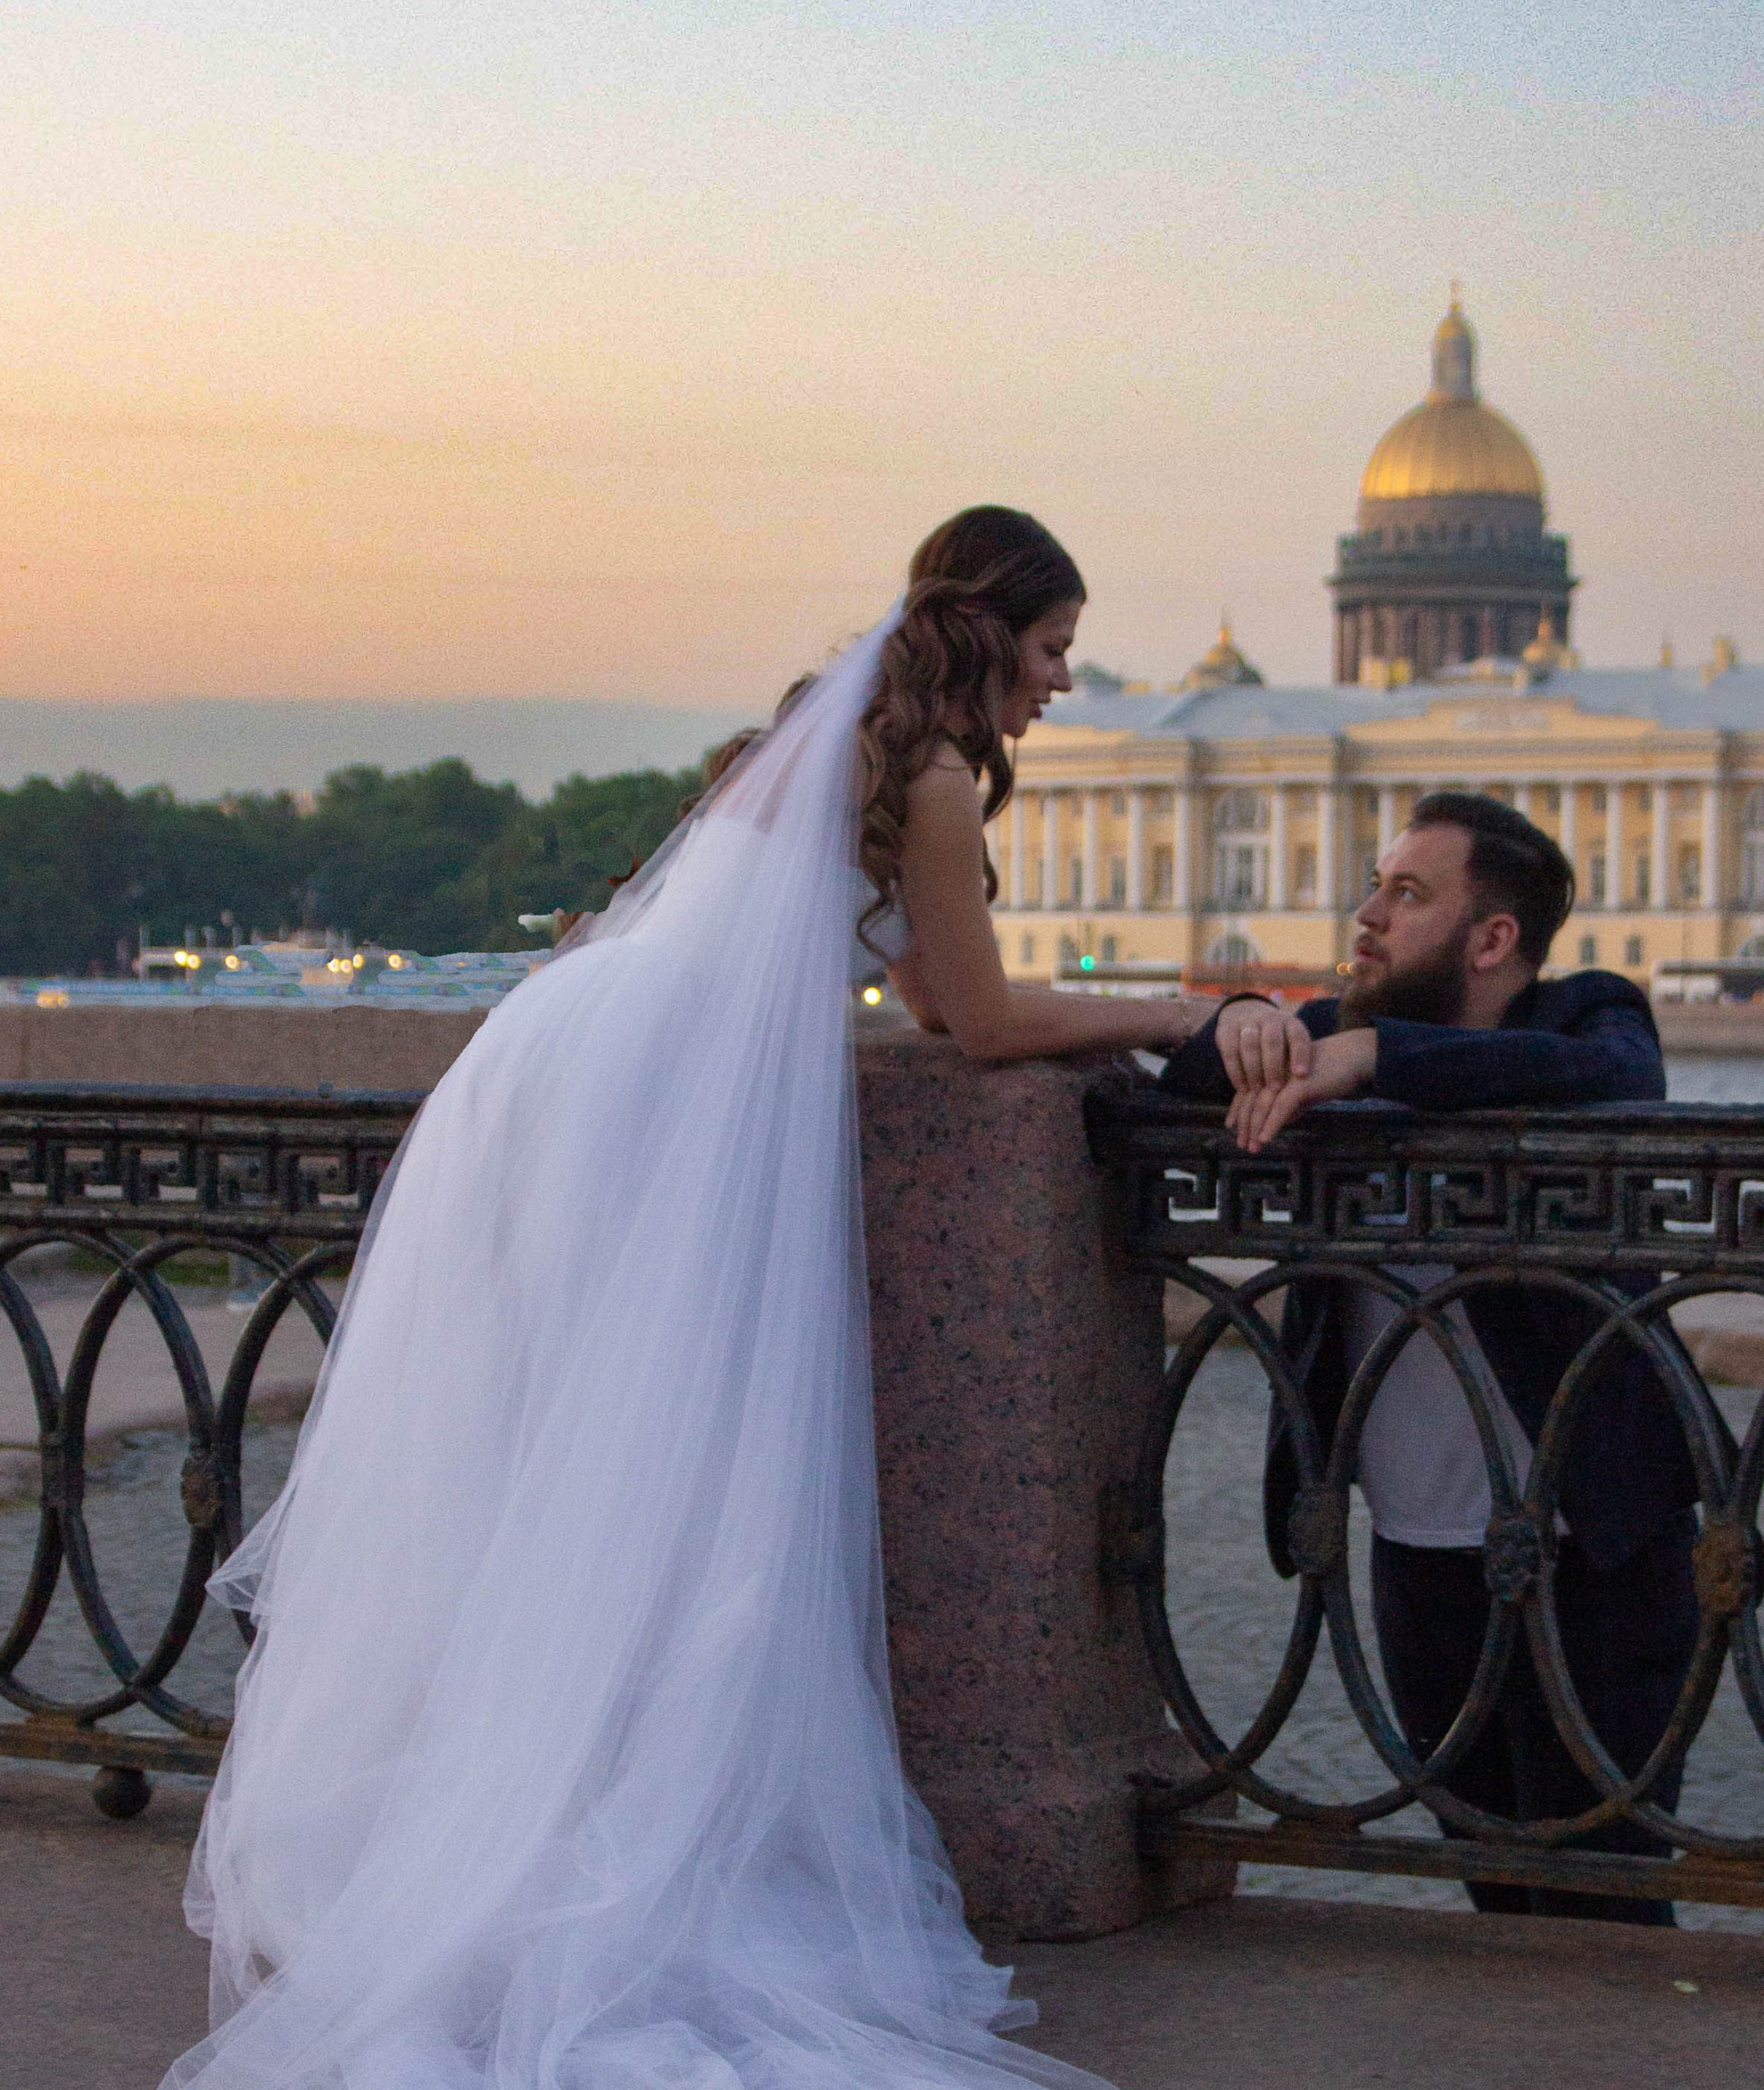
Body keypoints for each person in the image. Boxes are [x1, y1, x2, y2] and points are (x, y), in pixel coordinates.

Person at [167, 508, 1220, 2090]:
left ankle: (492, 1819)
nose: (1065, 680)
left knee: (549, 1460)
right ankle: (588, 1838)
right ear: (993, 628)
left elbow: (922, 992)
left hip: (560, 1056)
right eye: (1056, 646)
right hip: (650, 1095)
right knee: (656, 1477)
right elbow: (985, 1023)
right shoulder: (930, 777)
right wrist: (1184, 1010)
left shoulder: (819, 742)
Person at [1155, 792, 1700, 1921]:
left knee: (1606, 1906)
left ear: (1492, 938)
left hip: (1593, 1547)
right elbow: (1185, 1084)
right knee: (1489, 1887)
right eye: (1375, 884)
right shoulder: (1329, 1032)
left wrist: (1370, 1055)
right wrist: (1248, 1018)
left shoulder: (1586, 1014)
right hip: (1417, 1555)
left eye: (1406, 894)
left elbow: (1618, 1079)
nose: (1366, 914)